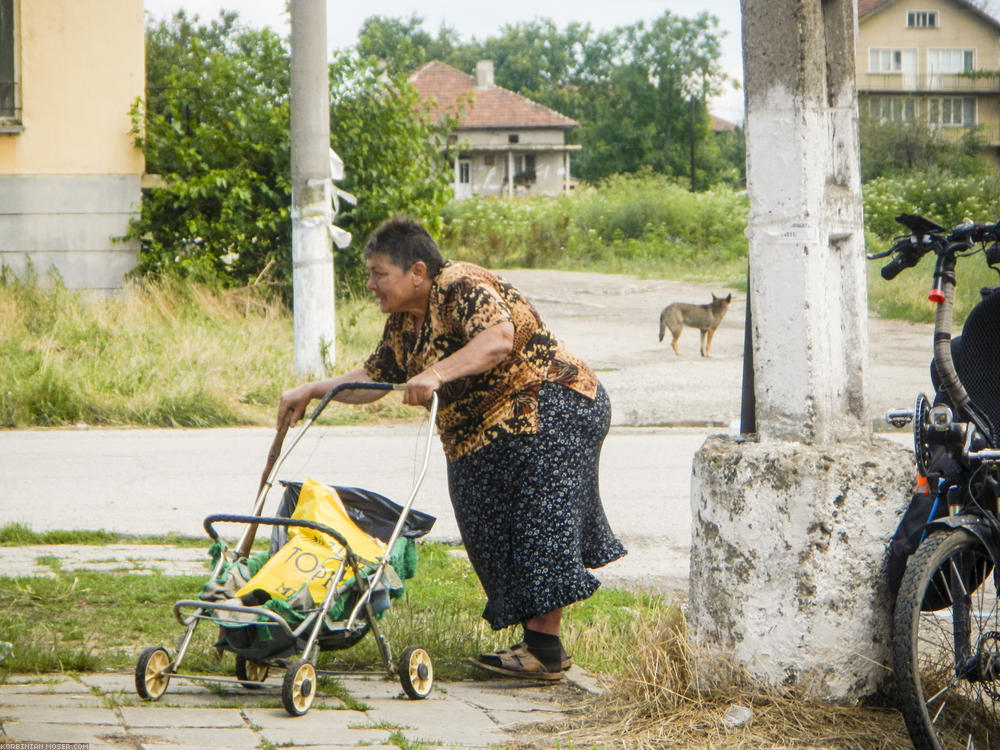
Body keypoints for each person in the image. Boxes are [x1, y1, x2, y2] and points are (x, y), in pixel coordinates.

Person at [277, 216, 626, 680]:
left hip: (551, 401)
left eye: (379, 274)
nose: (371, 285)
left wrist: (435, 374)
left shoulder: (460, 284)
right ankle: (535, 646)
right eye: (371, 274)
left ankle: (545, 650)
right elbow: (372, 379)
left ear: (416, 271)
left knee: (537, 520)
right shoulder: (403, 321)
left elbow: (499, 337)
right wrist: (313, 390)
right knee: (483, 518)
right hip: (481, 429)